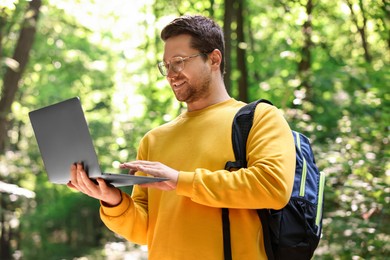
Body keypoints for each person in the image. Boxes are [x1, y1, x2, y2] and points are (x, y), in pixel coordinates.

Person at [68, 15, 296, 259]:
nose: (170, 74)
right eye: (166, 66)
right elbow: (146, 231)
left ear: (214, 59)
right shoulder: (153, 140)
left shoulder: (258, 118)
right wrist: (112, 200)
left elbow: (273, 188)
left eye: (178, 62)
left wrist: (179, 181)